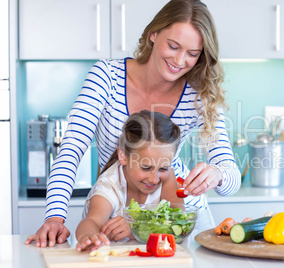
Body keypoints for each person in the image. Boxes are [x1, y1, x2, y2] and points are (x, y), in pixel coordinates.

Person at [25, 0, 241, 248]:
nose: (180, 60)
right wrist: (55, 217)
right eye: (173, 46)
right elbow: (71, 151)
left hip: (179, 218)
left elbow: (230, 175)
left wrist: (217, 175)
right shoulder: (106, 77)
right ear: (153, 34)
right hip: (118, 213)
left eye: (193, 54)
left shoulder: (199, 94)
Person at [75, 110, 182, 251]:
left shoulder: (167, 178)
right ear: (124, 156)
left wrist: (138, 229)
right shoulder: (109, 184)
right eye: (145, 167)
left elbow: (180, 222)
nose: (154, 179)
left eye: (163, 168)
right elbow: (91, 221)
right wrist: (88, 237)